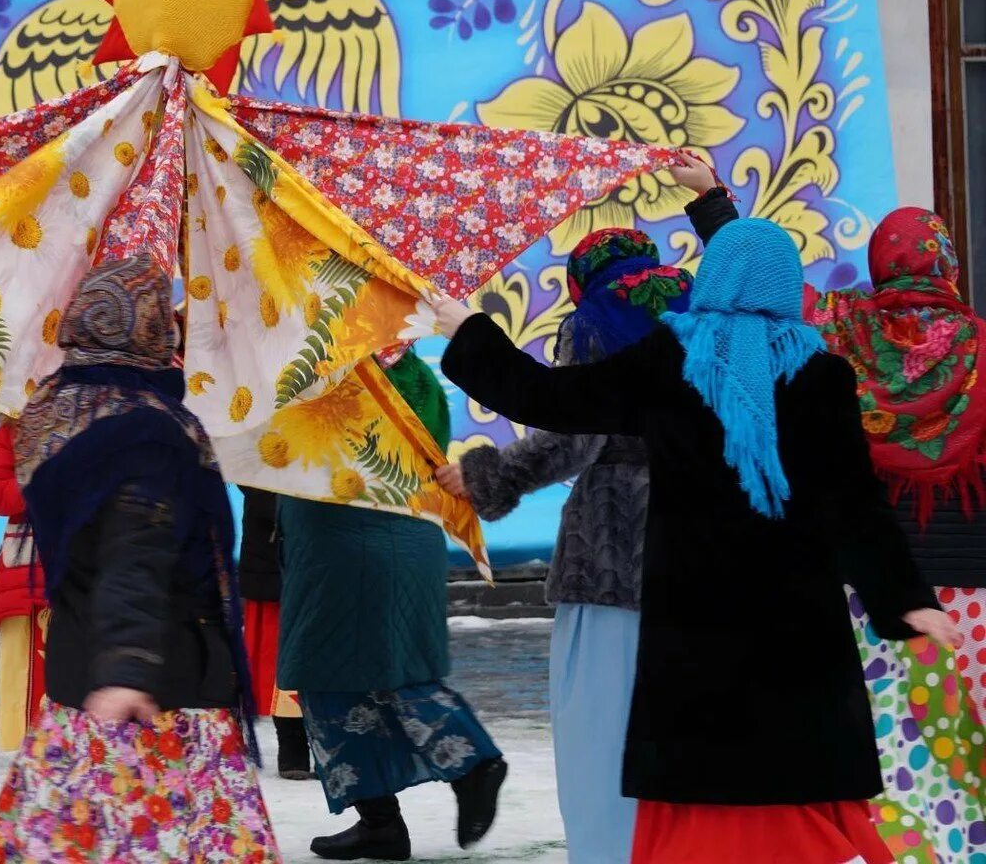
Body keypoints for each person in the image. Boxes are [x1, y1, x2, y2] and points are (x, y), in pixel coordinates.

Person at [436, 216, 964, 864]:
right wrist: (903, 596)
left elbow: (549, 397)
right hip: (795, 634)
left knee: (698, 814)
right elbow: (854, 504)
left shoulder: (668, 361)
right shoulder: (821, 375)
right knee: (794, 804)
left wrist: (469, 332)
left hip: (693, 632)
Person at [0, 255, 279, 863]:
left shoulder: (55, 414)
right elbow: (134, 551)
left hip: (79, 681)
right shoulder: (148, 430)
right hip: (157, 691)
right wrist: (129, 669)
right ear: (151, 334)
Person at [444, 225, 692, 863]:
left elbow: (573, 429)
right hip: (697, 546)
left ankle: (613, 851)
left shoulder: (595, 324)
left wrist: (486, 475)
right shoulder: (695, 309)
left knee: (602, 728)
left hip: (612, 549)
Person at [799, 206, 986, 860]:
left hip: (868, 592)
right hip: (974, 593)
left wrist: (713, 207)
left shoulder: (843, 336)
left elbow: (775, 290)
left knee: (887, 750)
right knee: (970, 751)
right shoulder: (982, 347)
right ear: (947, 264)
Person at [279, 346, 506, 862]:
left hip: (344, 539)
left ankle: (471, 763)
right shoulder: (416, 373)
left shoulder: (323, 371)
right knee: (382, 670)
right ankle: (382, 823)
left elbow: (285, 451)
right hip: (410, 535)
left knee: (343, 675)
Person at [0, 416, 49, 752]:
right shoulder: (17, 426)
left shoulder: (109, 419)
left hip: (95, 577)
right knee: (29, 692)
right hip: (28, 580)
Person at [237, 483, 310, 780]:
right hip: (274, 559)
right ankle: (293, 744)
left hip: (318, 553)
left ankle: (319, 746)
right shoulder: (255, 445)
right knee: (281, 656)